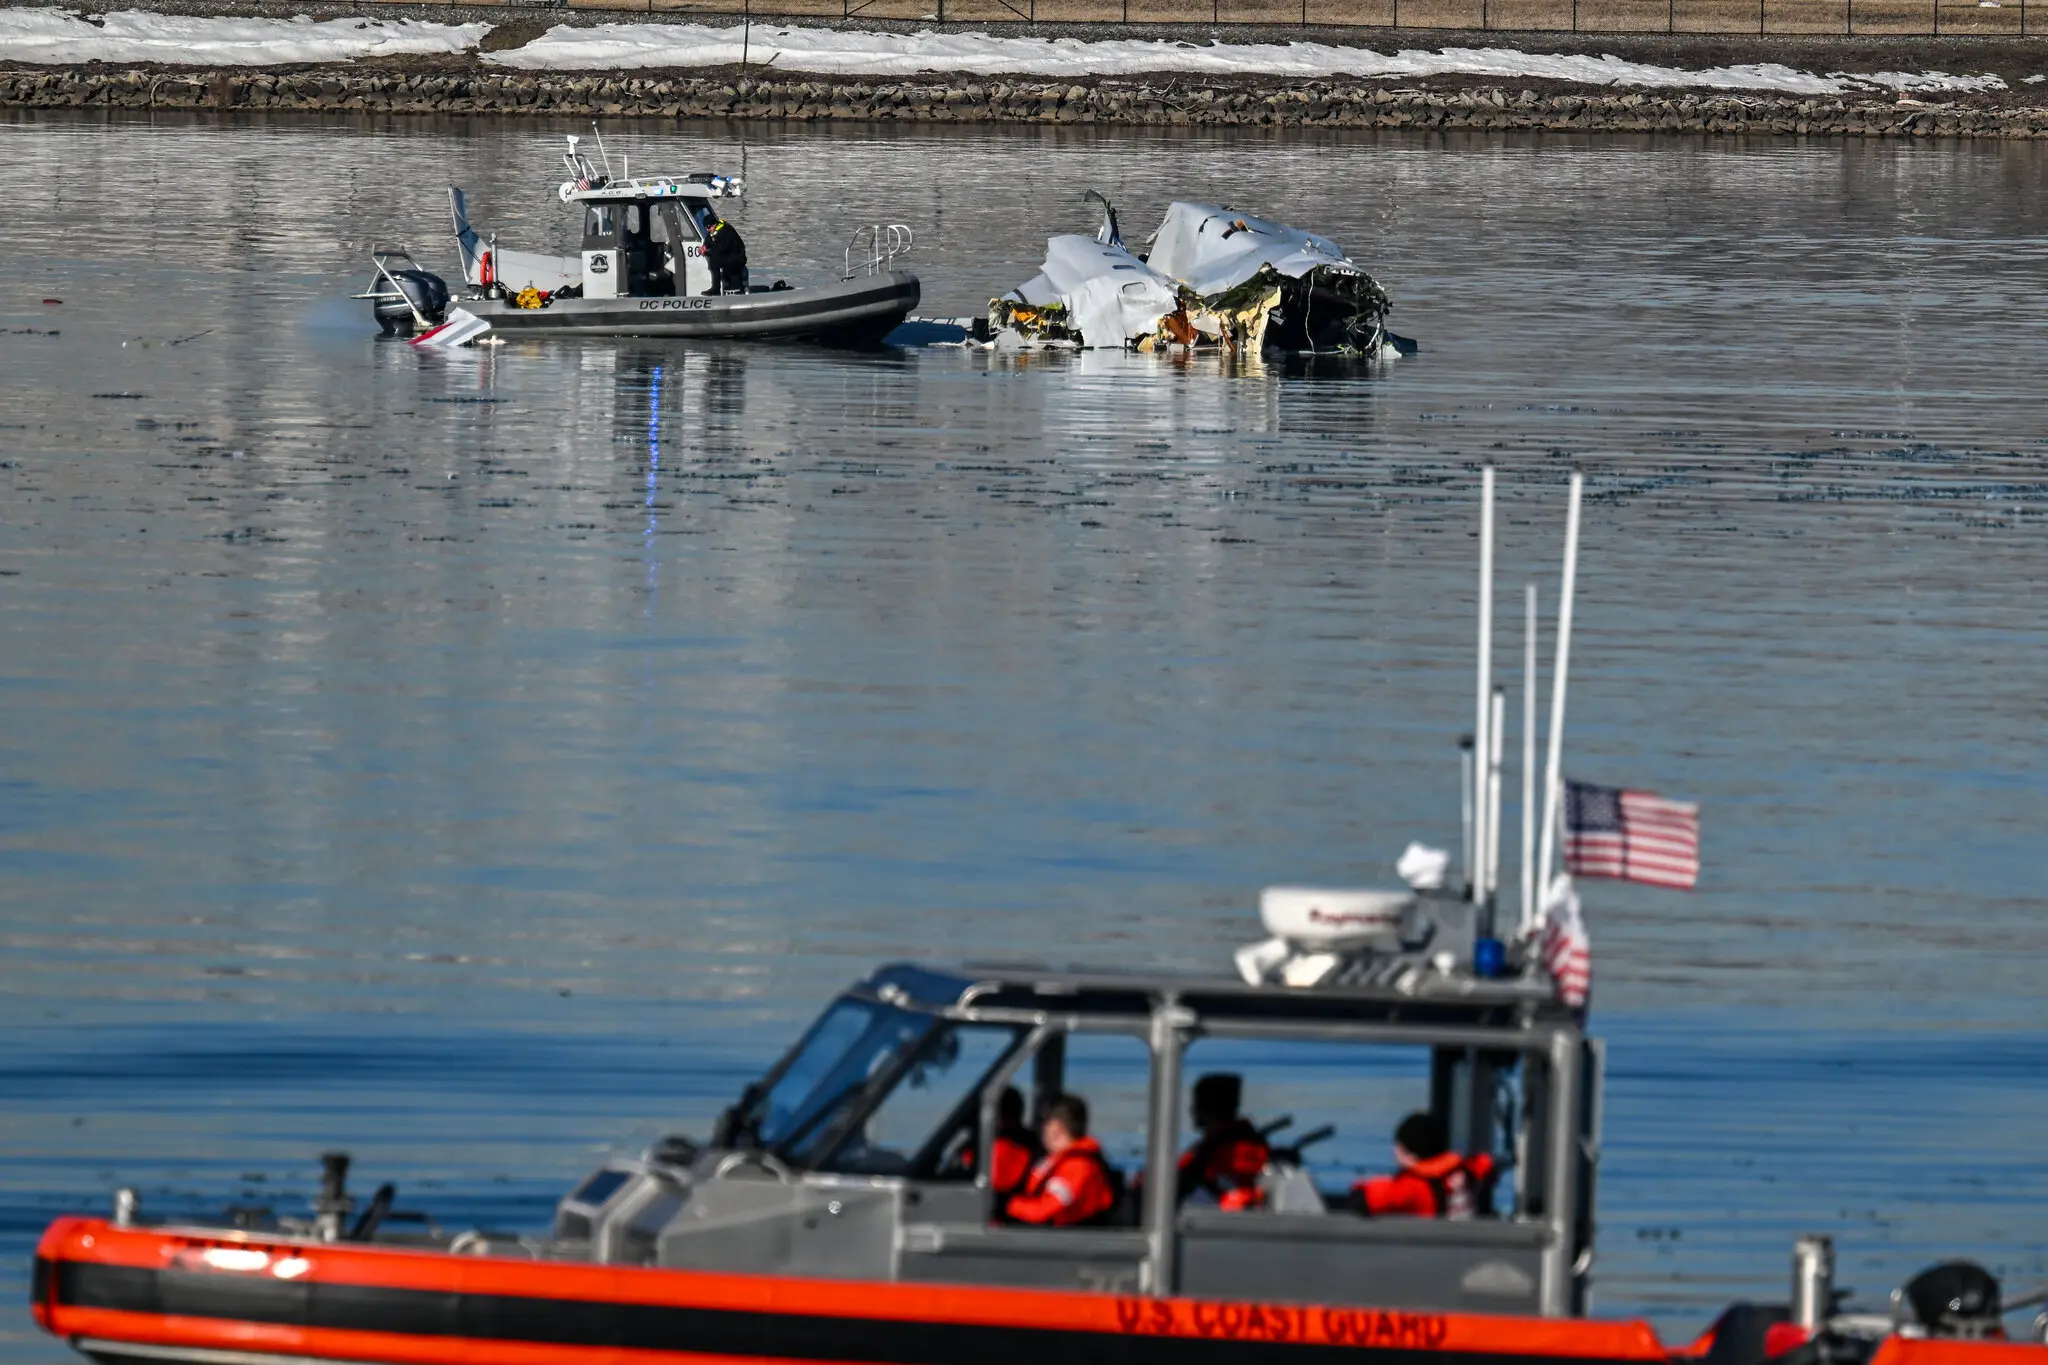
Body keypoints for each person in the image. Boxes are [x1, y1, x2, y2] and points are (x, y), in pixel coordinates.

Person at [1350, 1112, 1496, 1220]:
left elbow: (1364, 1200)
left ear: (1410, 1155)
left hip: (1433, 1245)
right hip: (1462, 1238)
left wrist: (1363, 1185)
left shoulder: (1413, 1186)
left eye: (1398, 1146)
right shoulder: (1465, 1170)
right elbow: (1487, 1165)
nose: (1394, 1151)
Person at [1004, 1094, 1117, 1227]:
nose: (1041, 1129)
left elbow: (1044, 1211)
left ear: (1056, 1128)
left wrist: (1007, 1205)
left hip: (1067, 1236)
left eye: (1044, 1122)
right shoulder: (1055, 1160)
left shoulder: (1077, 1167)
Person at [1175, 1073, 1270, 1210]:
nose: (1191, 1110)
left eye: (1196, 1103)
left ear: (1204, 1109)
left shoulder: (1223, 1153)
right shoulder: (1252, 1144)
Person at [703, 213, 748, 296]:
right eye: (706, 228)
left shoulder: (725, 231)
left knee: (719, 261)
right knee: (713, 261)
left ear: (714, 224)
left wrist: (706, 252)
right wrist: (705, 246)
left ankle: (737, 288)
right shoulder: (715, 230)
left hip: (737, 257)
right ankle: (716, 288)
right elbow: (709, 238)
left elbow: (720, 248)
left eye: (708, 227)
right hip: (728, 255)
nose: (707, 230)